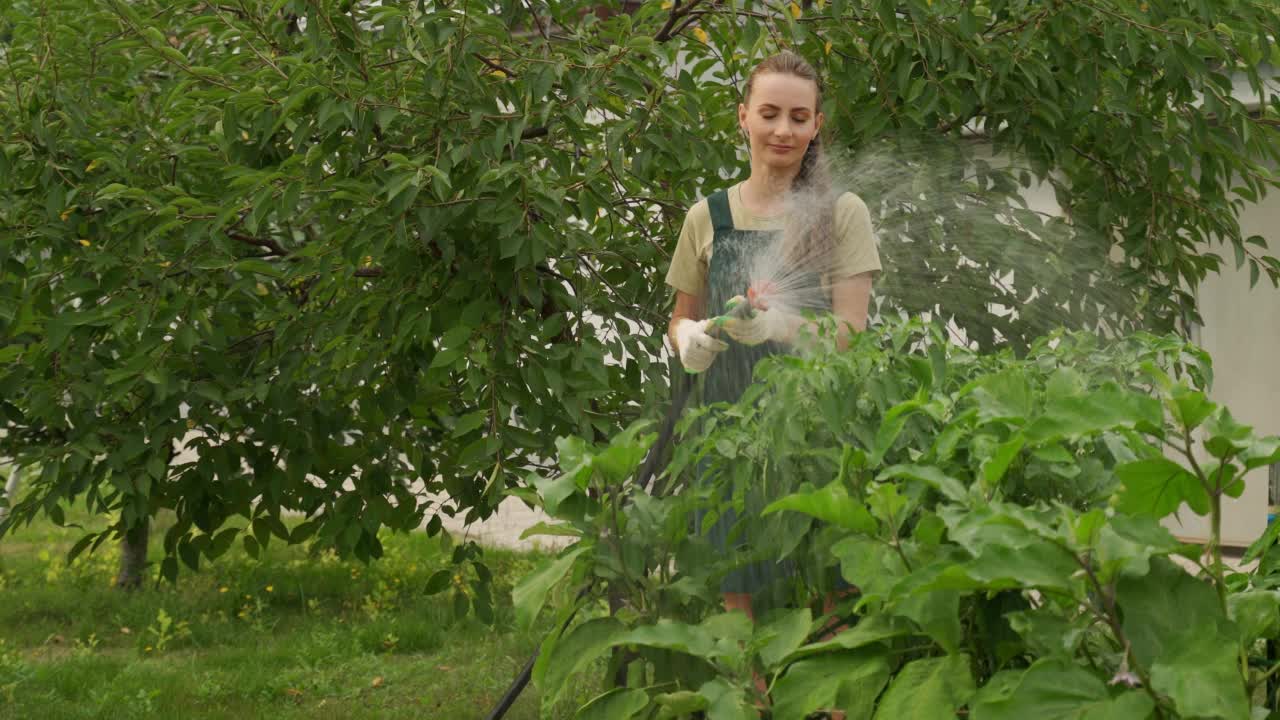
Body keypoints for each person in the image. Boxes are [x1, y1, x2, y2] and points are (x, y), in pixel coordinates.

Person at [663, 50, 881, 711]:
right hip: (728, 434)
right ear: (743, 119)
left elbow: (850, 336)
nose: (782, 130)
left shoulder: (840, 212)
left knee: (829, 591)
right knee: (742, 597)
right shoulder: (708, 216)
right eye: (769, 114)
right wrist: (687, 343)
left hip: (817, 427)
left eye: (797, 116)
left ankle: (830, 707)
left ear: (817, 126)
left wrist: (778, 327)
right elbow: (682, 316)